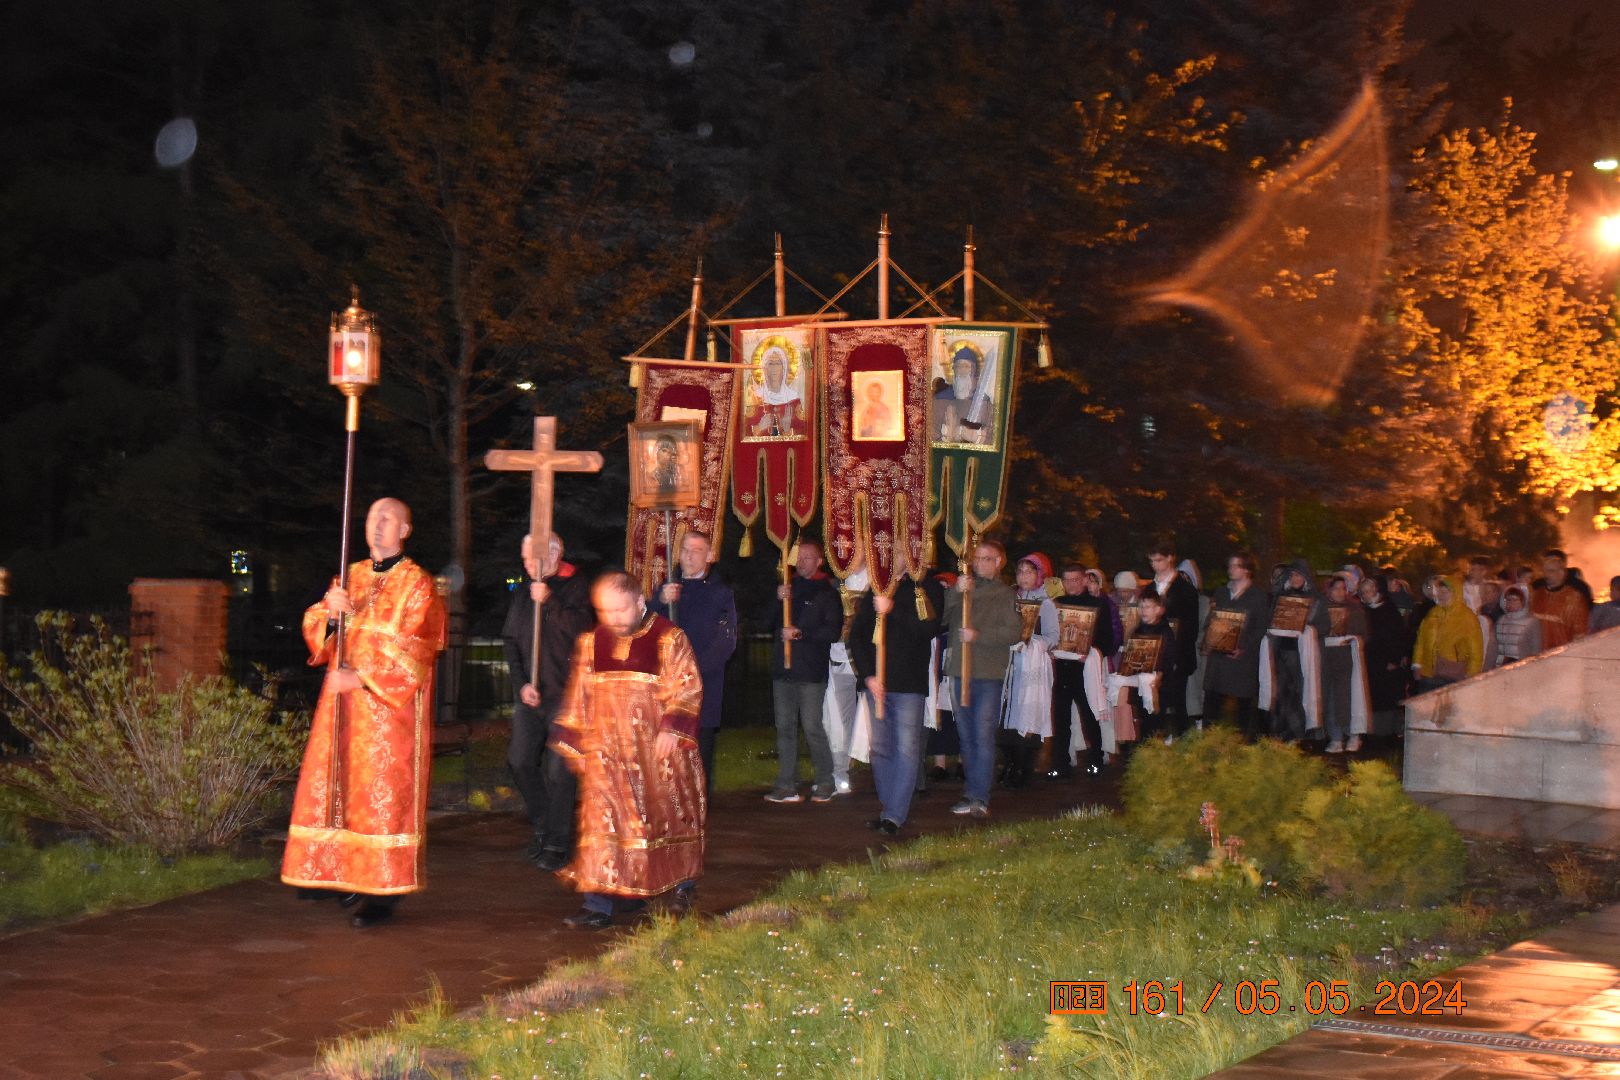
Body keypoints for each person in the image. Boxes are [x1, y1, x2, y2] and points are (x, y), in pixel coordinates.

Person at [282, 497, 447, 929]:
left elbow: (417, 648)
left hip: (388, 715)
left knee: (381, 799)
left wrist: (360, 678)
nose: (377, 525)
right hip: (342, 709)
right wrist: (333, 616)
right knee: (338, 790)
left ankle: (381, 892)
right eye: (373, 518)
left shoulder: (419, 584)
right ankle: (342, 872)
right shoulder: (349, 574)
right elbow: (318, 625)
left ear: (405, 529)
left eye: (388, 519)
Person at [552, 572, 706, 927]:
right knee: (603, 825)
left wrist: (673, 727)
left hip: (657, 755)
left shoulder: (669, 637)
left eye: (621, 610)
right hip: (607, 754)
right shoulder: (592, 642)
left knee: (664, 819)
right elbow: (580, 694)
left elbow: (688, 687)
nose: (614, 619)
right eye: (605, 612)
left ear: (640, 602)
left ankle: (681, 886)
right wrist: (577, 743)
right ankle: (598, 904)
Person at [501, 533, 593, 871]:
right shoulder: (526, 590)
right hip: (532, 695)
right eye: (524, 559)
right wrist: (522, 683)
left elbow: (583, 631)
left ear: (556, 553)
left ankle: (557, 841)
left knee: (559, 769)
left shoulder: (576, 584)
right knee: (520, 761)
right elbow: (511, 641)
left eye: (532, 558)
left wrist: (550, 601)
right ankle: (544, 824)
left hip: (567, 695)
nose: (527, 565)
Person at [848, 562, 944, 834]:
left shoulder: (926, 587)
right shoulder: (879, 585)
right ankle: (888, 807)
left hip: (907, 683)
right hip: (876, 683)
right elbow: (857, 635)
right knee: (880, 749)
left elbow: (929, 629)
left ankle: (894, 814)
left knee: (905, 749)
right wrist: (867, 676)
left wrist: (893, 610)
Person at [649, 531, 737, 790]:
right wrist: (660, 601)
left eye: (696, 550)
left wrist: (693, 672)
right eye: (685, 549)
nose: (688, 555)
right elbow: (647, 628)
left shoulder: (720, 593)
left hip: (702, 683)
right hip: (667, 684)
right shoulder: (668, 588)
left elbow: (726, 640)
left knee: (698, 753)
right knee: (666, 750)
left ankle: (696, 810)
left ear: (709, 556)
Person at [942, 540, 1022, 818]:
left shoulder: (1004, 594)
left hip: (987, 673)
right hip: (959, 670)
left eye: (987, 559)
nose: (980, 564)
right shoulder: (964, 589)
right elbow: (941, 617)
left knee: (982, 735)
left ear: (999, 562)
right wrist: (955, 592)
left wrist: (978, 636)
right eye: (977, 559)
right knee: (966, 736)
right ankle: (969, 792)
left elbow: (1013, 632)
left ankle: (980, 795)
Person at [765, 540, 843, 804]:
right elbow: (767, 623)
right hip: (783, 671)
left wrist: (800, 633)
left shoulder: (827, 591)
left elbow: (832, 631)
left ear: (819, 561)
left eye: (809, 557)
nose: (802, 561)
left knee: (811, 727)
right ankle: (787, 783)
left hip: (810, 672)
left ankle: (825, 780)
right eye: (800, 557)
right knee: (785, 728)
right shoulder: (789, 588)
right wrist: (778, 601)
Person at [1049, 564, 1116, 777]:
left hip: (1085, 669)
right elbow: (1049, 634)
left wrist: (1092, 650)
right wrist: (1050, 648)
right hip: (1062, 668)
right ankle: (1061, 763)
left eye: (1076, 579)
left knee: (1089, 715)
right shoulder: (1056, 604)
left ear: (1085, 579)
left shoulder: (1098, 605)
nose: (1071, 584)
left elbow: (1108, 640)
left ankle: (1095, 759)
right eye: (1067, 580)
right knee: (1060, 717)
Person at [1000, 553, 1058, 789]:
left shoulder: (1046, 603)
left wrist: (1033, 643)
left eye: (1029, 572)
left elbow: (1053, 637)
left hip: (1033, 663)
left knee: (1029, 713)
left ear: (1039, 574)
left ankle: (1025, 766)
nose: (1024, 576)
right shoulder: (1011, 598)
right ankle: (1011, 763)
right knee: (1007, 714)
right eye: (1020, 572)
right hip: (1012, 663)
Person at [1200, 552, 1270, 739]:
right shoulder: (1222, 593)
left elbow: (1261, 627)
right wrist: (1207, 641)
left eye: (1236, 565)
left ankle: (1242, 744)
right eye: (1230, 565)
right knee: (1212, 703)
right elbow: (1212, 620)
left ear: (1247, 569)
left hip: (1241, 659)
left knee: (1242, 705)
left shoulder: (1258, 596)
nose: (1231, 569)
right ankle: (1209, 743)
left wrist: (1244, 647)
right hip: (1218, 657)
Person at [1143, 540, 1201, 739]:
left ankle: (1181, 745)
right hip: (1152, 654)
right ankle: (1152, 746)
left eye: (1158, 560)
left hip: (1176, 655)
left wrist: (1177, 656)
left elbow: (1191, 627)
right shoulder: (1150, 588)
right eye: (1151, 561)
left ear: (1170, 558)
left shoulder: (1185, 590)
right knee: (1151, 702)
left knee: (1177, 703)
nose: (1154, 565)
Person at [824, 551, 870, 796]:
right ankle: (840, 772)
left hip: (867, 658)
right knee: (839, 716)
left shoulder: (878, 580)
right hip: (840, 655)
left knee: (872, 715)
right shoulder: (834, 583)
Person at [1321, 574, 1369, 754]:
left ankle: (1353, 734)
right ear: (1329, 590)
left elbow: (1363, 634)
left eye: (1342, 588)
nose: (1339, 592)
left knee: (1348, 697)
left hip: (1347, 661)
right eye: (1335, 588)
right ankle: (1335, 737)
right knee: (1331, 699)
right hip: (1327, 660)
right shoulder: (1321, 608)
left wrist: (1352, 639)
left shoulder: (1354, 609)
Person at [1357, 575, 1410, 737]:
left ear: (1376, 590)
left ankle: (1388, 733)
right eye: (1364, 591)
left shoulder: (1389, 609)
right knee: (1371, 697)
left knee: (1387, 697)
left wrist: (1394, 659)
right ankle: (1373, 732)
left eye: (1370, 590)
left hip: (1387, 661)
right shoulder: (1362, 611)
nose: (1368, 594)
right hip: (1368, 661)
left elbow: (1399, 635)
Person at [1412, 574, 1483, 692]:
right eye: (1439, 592)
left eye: (1446, 592)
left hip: (1454, 673)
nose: (1441, 595)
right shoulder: (1432, 614)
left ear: (1456, 593)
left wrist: (1472, 674)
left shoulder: (1467, 617)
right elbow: (1421, 642)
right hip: (1429, 673)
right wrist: (1417, 665)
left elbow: (1476, 650)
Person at [1532, 549, 1592, 649]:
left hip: (1562, 653)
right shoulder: (1536, 594)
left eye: (1551, 571)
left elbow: (1580, 632)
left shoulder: (1575, 597)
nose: (1546, 575)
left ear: (1561, 573)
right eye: (1544, 571)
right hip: (1536, 653)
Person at [745, 344, 804, 438]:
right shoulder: (756, 398)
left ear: (783, 367)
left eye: (778, 363)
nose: (774, 368)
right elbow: (743, 434)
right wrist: (760, 427)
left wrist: (787, 429)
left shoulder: (793, 398)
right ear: (764, 368)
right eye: (770, 364)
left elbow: (804, 435)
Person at [933, 344, 987, 444]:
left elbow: (991, 437)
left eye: (966, 366)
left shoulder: (985, 402)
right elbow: (930, 434)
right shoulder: (939, 400)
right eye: (958, 366)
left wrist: (978, 438)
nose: (962, 370)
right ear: (953, 370)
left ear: (974, 371)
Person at [1492, 583, 1542, 666]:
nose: (1511, 603)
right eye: (1508, 600)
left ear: (1523, 601)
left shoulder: (1532, 622)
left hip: (1521, 668)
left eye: (1515, 600)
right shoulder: (1501, 620)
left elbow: (1536, 650)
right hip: (1500, 668)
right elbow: (1494, 648)